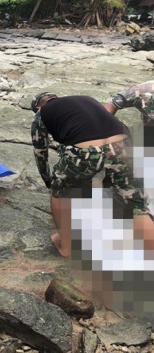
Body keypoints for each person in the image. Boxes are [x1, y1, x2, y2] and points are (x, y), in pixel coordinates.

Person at [30, 92, 154, 258]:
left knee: (59, 192)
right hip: (122, 145)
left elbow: (40, 152)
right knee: (136, 204)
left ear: (38, 106)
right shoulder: (86, 99)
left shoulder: (41, 113)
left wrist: (48, 182)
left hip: (85, 152)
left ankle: (66, 245)